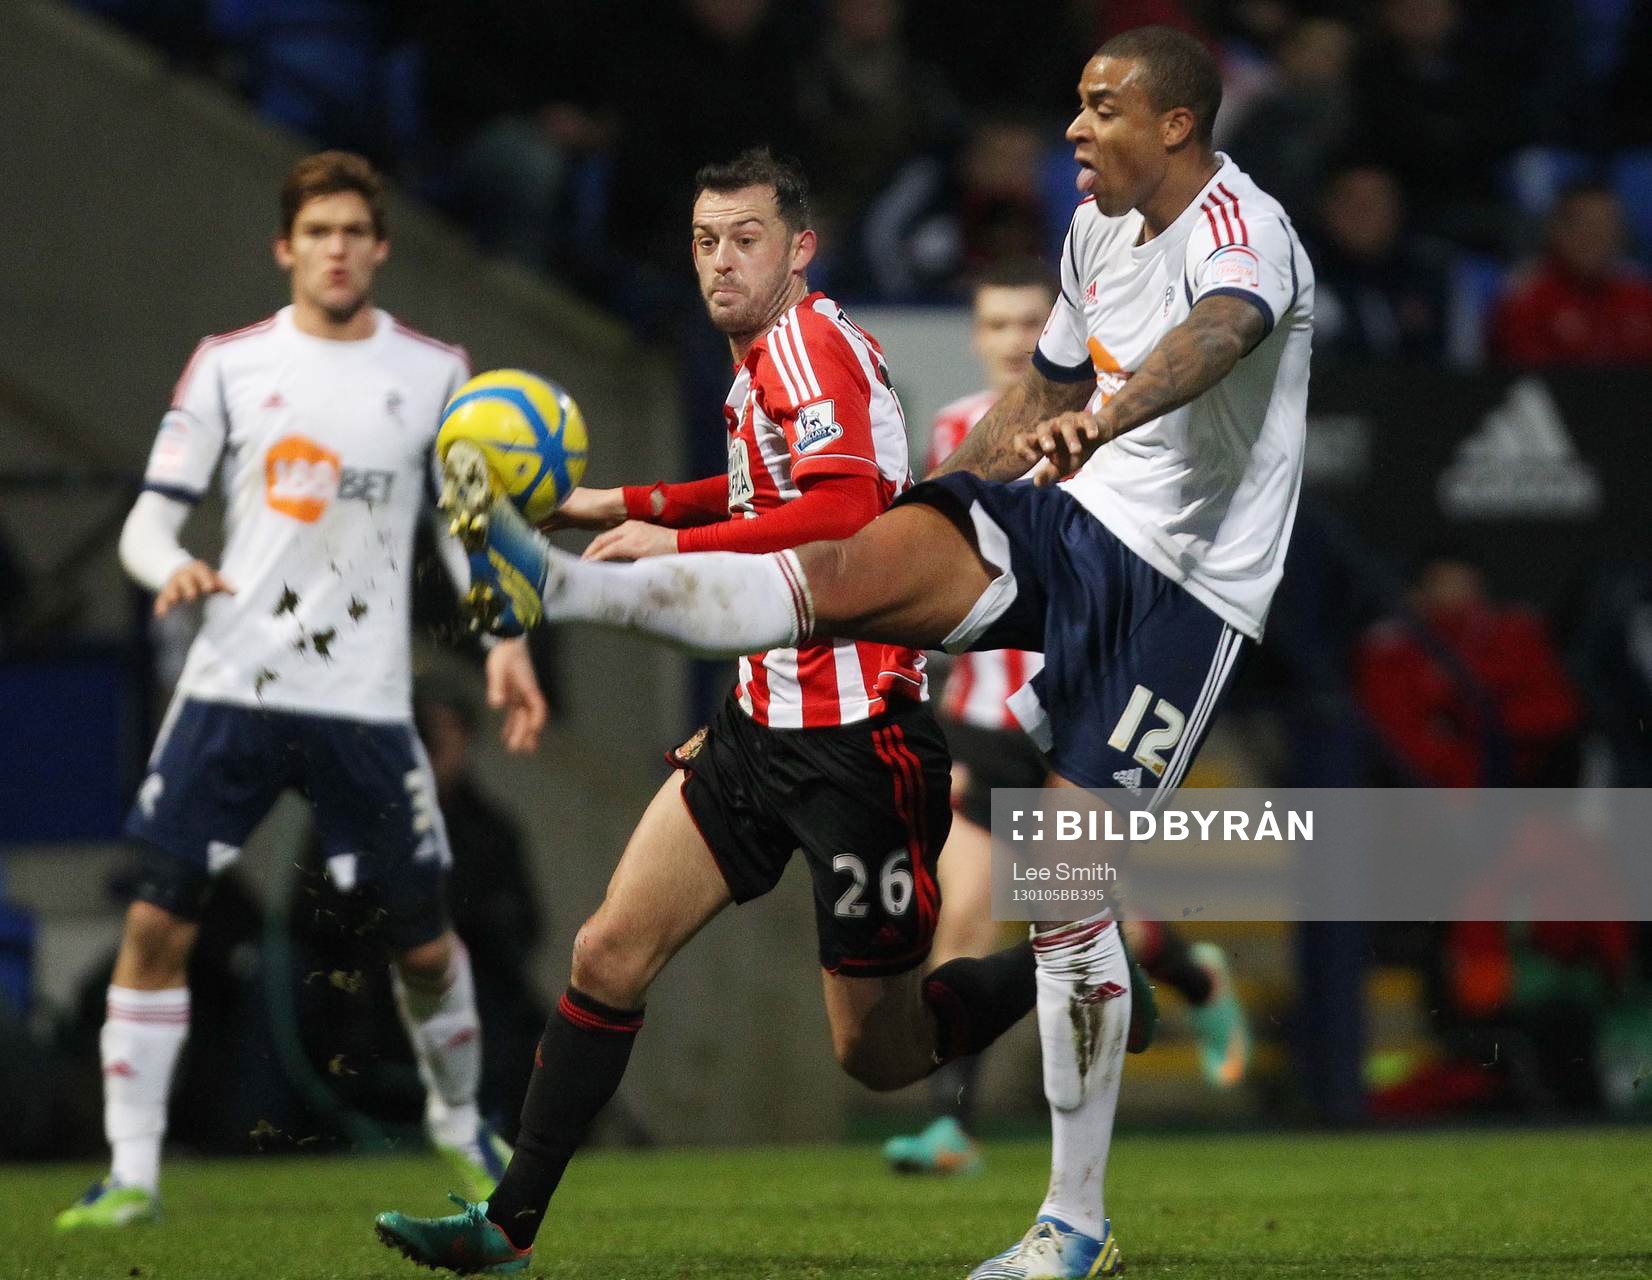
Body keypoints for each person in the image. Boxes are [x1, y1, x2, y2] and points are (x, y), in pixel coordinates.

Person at [438, 25, 1312, 1279]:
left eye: (1099, 106)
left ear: (1176, 123)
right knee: (848, 573)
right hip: (1074, 524)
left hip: (1184, 592)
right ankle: (570, 587)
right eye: (1071, 103)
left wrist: (1103, 418)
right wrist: (939, 501)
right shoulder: (1090, 233)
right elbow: (1039, 395)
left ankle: (1070, 1224)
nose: (1071, 127)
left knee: (1061, 889)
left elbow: (1217, 336)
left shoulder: (1248, 233)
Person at [375, 148, 1044, 1275]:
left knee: (876, 1054)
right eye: (703, 240)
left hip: (857, 740)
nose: (721, 260)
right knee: (608, 948)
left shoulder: (811, 345)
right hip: (752, 725)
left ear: (798, 247)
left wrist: (673, 545)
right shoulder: (759, 362)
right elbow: (761, 494)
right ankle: (507, 1224)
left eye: (744, 237)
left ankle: (1073, 960)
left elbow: (846, 509)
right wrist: (614, 500)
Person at [55, 151, 548, 1231]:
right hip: (233, 686)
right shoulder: (229, 365)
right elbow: (150, 518)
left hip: (367, 702)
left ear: (379, 246)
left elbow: (464, 531)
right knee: (155, 922)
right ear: (286, 245)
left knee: (425, 942)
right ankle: (130, 1168)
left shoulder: (434, 371)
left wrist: (504, 634)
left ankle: (461, 1120)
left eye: (353, 231)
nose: (335, 248)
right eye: (315, 230)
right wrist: (166, 565)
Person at [883, 261, 1249, 1181]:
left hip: (1072, 703)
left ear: (1053, 333)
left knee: (1072, 905)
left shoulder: (1105, 429)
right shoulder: (959, 429)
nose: (1011, 340)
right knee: (963, 907)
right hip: (976, 716)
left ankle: (1193, 974)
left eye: (1025, 323)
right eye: (996, 322)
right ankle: (949, 1123)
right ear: (977, 335)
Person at [1489, 184, 1652, 369]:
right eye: (1585, 226)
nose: (1597, 238)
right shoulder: (1526, 296)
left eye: (1606, 227)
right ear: (1557, 231)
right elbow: (1525, 378)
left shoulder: (1641, 293)